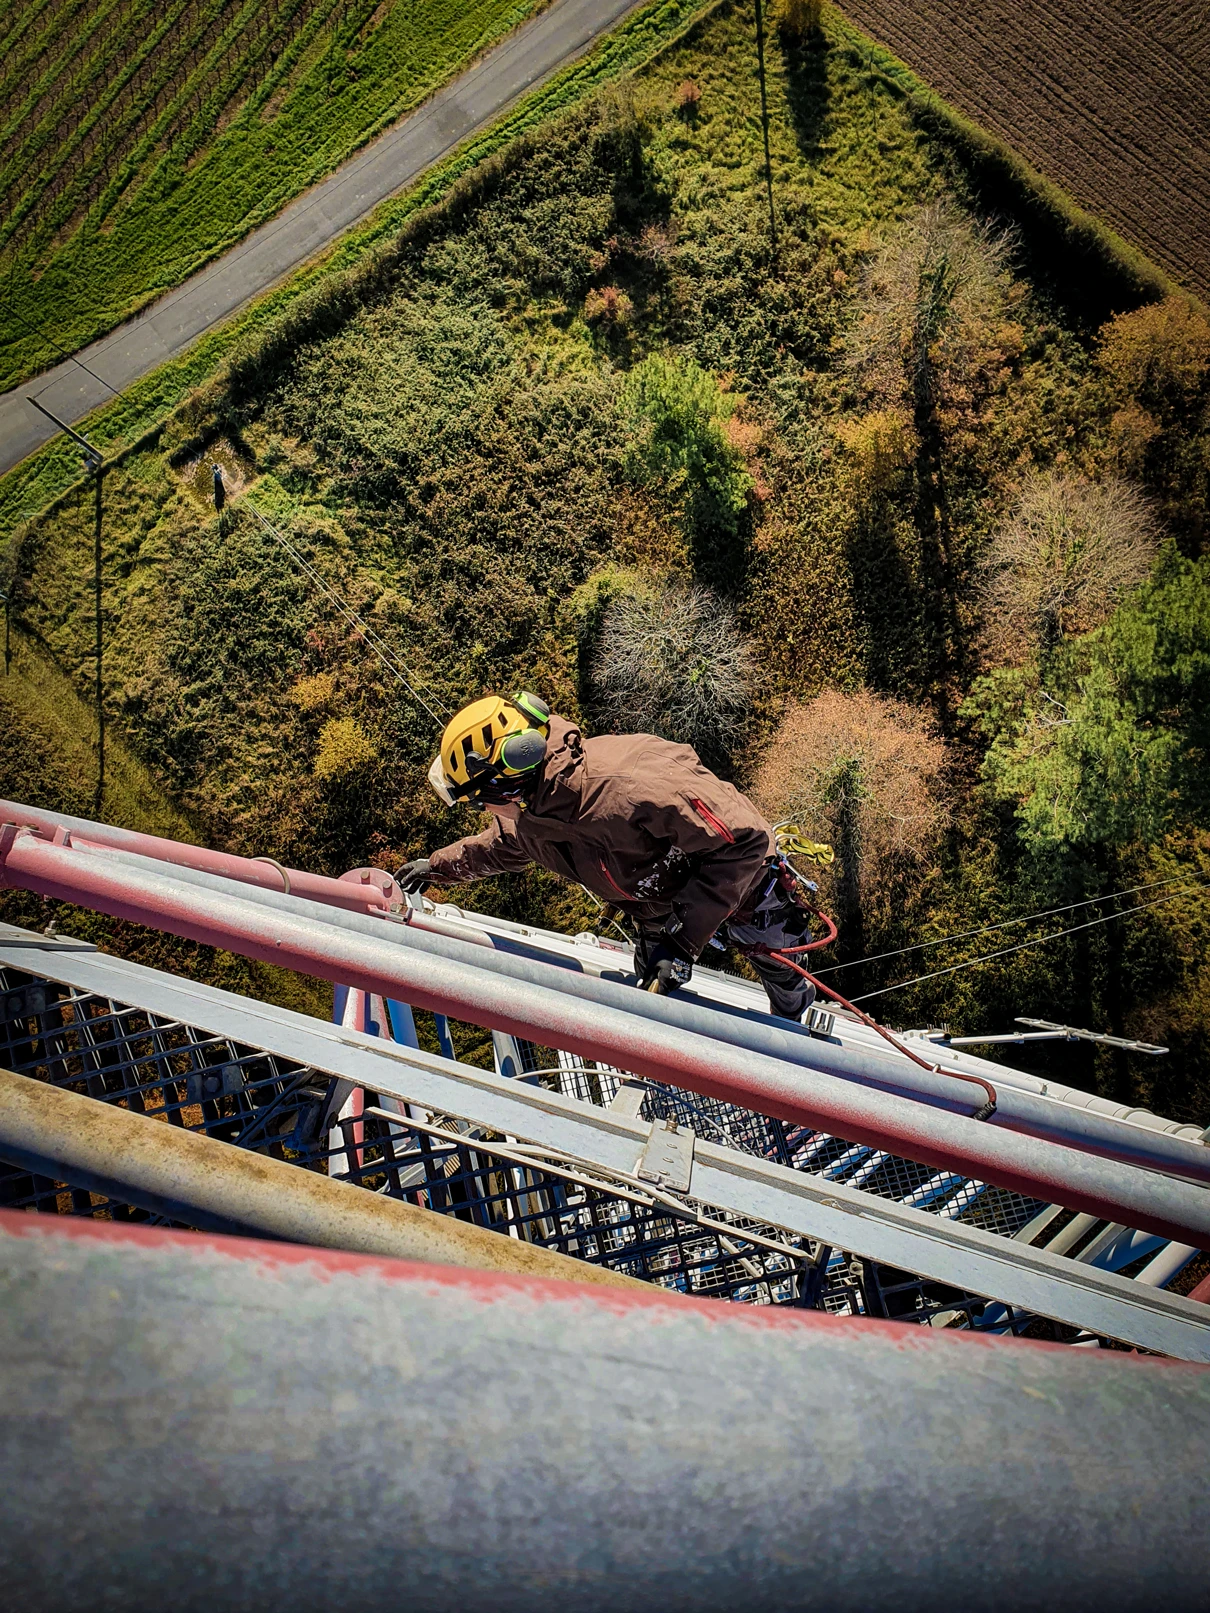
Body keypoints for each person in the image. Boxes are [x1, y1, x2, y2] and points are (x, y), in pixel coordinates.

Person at [396, 692, 819, 1022]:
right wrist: (435, 868)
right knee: (650, 982)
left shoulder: (630, 782)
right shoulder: (532, 818)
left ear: (505, 788)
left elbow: (744, 841)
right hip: (656, 909)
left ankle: (794, 1030)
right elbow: (497, 846)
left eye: (479, 801)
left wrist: (684, 940)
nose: (484, 811)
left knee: (783, 972)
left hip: (746, 892)